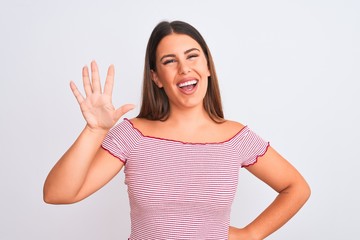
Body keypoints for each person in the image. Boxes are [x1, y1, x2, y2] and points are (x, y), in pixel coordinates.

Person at [43, 20, 310, 239]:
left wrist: (250, 234)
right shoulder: (132, 135)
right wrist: (94, 130)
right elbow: (58, 194)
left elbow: (296, 187)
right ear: (156, 78)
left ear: (207, 66)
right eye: (169, 61)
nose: (184, 68)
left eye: (192, 56)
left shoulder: (235, 138)